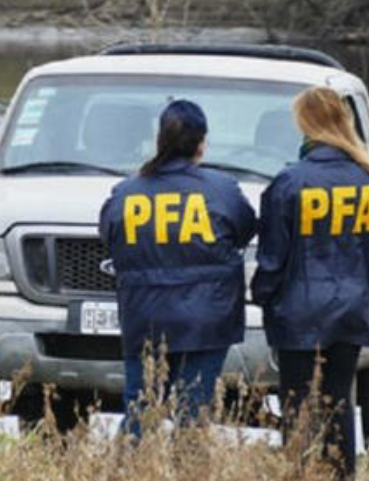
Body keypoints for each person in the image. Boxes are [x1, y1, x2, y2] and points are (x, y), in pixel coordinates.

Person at [252, 86, 369, 479]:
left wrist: (263, 296)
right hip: (351, 309)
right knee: (339, 400)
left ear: (306, 125)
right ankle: (341, 474)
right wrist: (366, 285)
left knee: (296, 405)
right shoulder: (367, 180)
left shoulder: (289, 182)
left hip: (296, 311)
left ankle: (301, 473)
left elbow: (272, 255)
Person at [99, 100, 255, 435]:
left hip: (146, 319)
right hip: (207, 321)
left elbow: (110, 238)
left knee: (140, 413)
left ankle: (131, 472)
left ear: (160, 140)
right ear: (202, 143)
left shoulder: (126, 193)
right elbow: (245, 230)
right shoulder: (223, 189)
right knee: (193, 415)